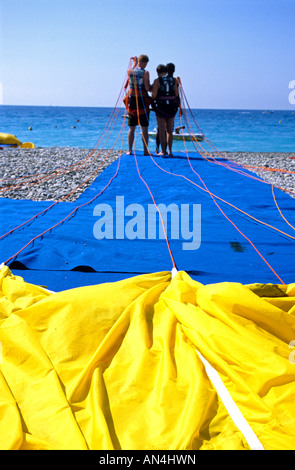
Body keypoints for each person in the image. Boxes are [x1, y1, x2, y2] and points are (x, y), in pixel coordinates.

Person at [124, 55, 152, 155]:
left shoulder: (129, 71)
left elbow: (134, 70)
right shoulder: (145, 72)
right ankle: (145, 151)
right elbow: (148, 87)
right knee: (144, 127)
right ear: (144, 62)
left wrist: (135, 63)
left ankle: (130, 150)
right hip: (141, 100)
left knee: (132, 126)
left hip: (131, 100)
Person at [151, 62, 180, 156]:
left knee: (162, 129)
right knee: (169, 130)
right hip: (172, 107)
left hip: (161, 107)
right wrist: (178, 107)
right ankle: (170, 151)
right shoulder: (174, 80)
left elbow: (154, 95)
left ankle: (163, 151)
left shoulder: (157, 81)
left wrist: (153, 106)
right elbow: (176, 94)